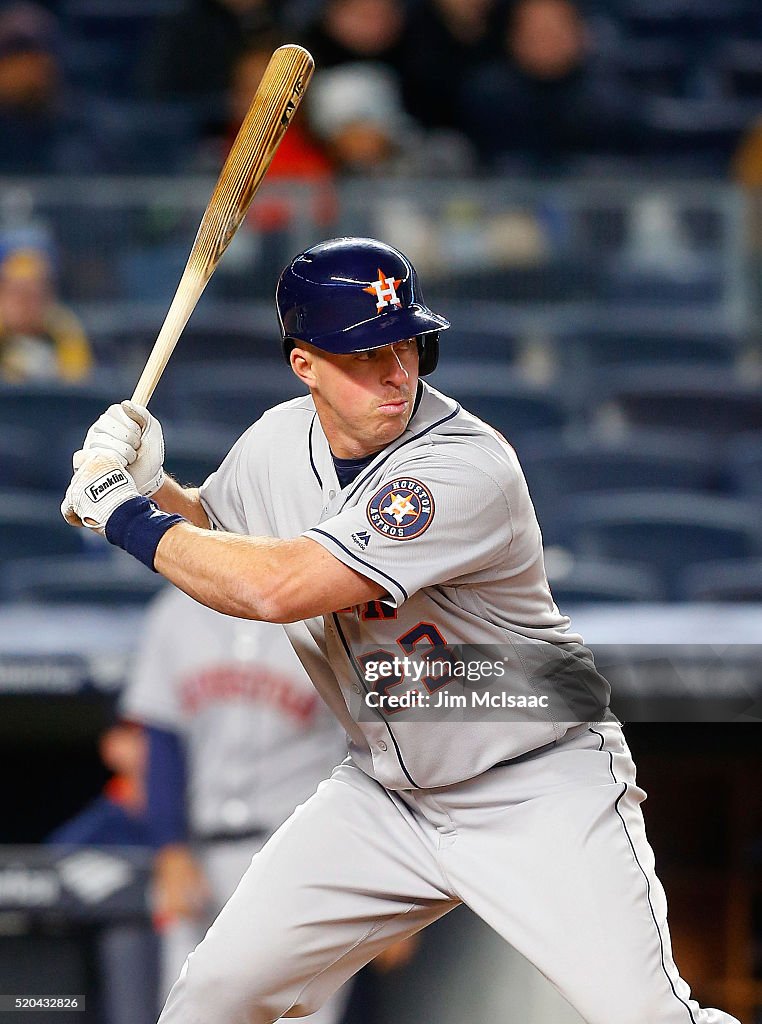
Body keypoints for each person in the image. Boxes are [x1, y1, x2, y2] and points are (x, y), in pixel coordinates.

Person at [62, 236, 741, 1024]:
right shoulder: (279, 441)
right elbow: (220, 535)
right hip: (385, 790)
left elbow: (278, 586)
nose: (397, 372)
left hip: (533, 774)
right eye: (365, 354)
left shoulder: (463, 465)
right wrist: (156, 491)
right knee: (212, 998)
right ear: (304, 364)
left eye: (408, 343)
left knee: (647, 1019)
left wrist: (125, 515)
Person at [120, 584, 354, 1021]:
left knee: (298, 1014)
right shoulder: (174, 613)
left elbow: (373, 745)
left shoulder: (330, 608)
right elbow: (162, 740)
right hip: (200, 857)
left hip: (303, 854)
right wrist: (168, 849)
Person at [0, 239, 92, 382]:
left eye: (33, 295)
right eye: (16, 293)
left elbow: (77, 383)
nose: (24, 304)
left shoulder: (63, 331)